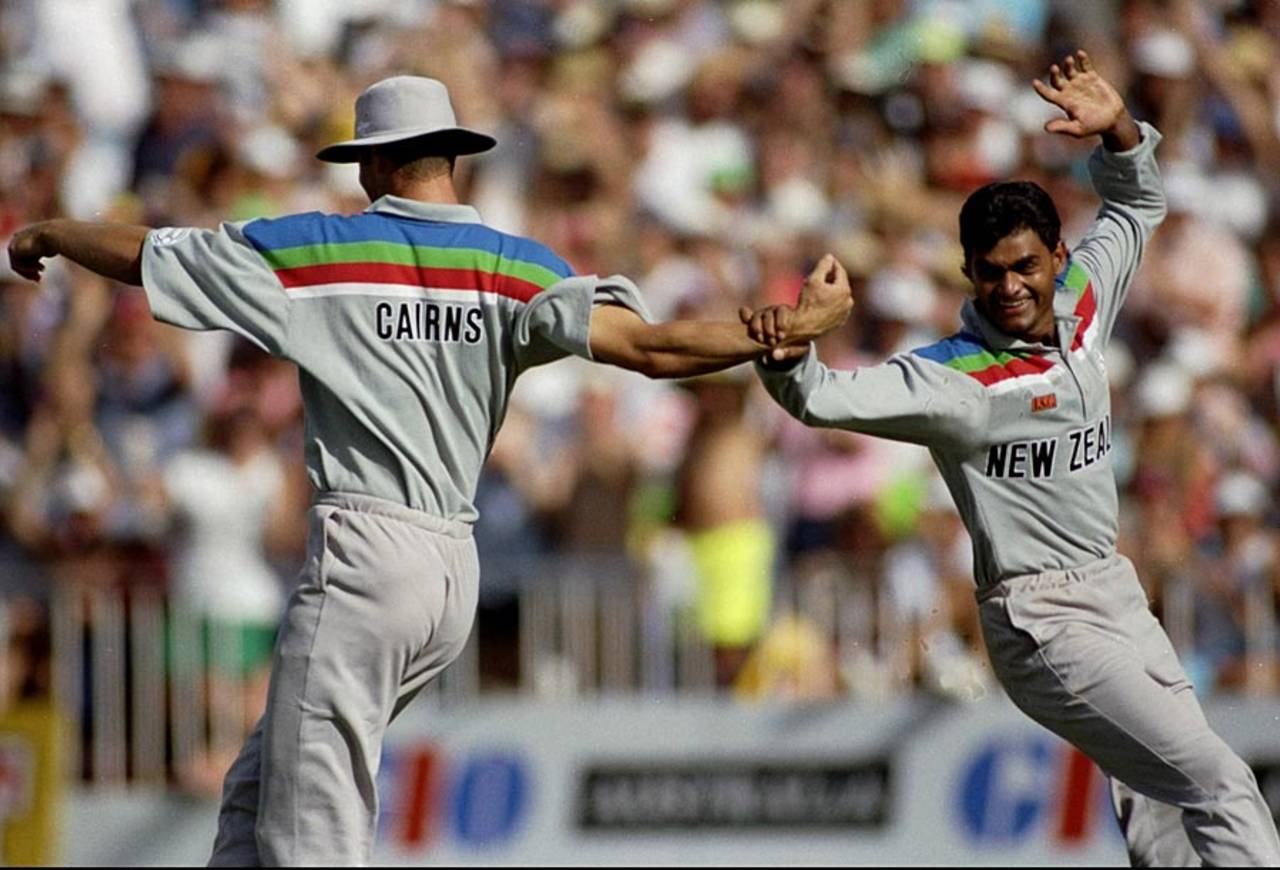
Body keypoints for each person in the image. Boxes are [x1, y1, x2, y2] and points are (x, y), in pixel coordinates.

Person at [6, 75, 852, 865]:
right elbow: (656, 349)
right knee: (258, 797)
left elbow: (151, 251)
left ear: (372, 164)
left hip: (365, 553)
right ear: (448, 158)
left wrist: (54, 233)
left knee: (311, 832)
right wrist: (779, 330)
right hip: (449, 565)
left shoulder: (318, 250)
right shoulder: (518, 265)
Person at [745, 51, 1280, 866]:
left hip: (1115, 591)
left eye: (1026, 266)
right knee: (1217, 778)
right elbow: (824, 398)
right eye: (990, 273)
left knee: (1167, 811)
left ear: (1057, 258)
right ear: (968, 273)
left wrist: (1121, 130)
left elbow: (1137, 203)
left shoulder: (1088, 301)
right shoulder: (949, 378)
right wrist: (792, 348)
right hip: (1041, 619)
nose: (1010, 288)